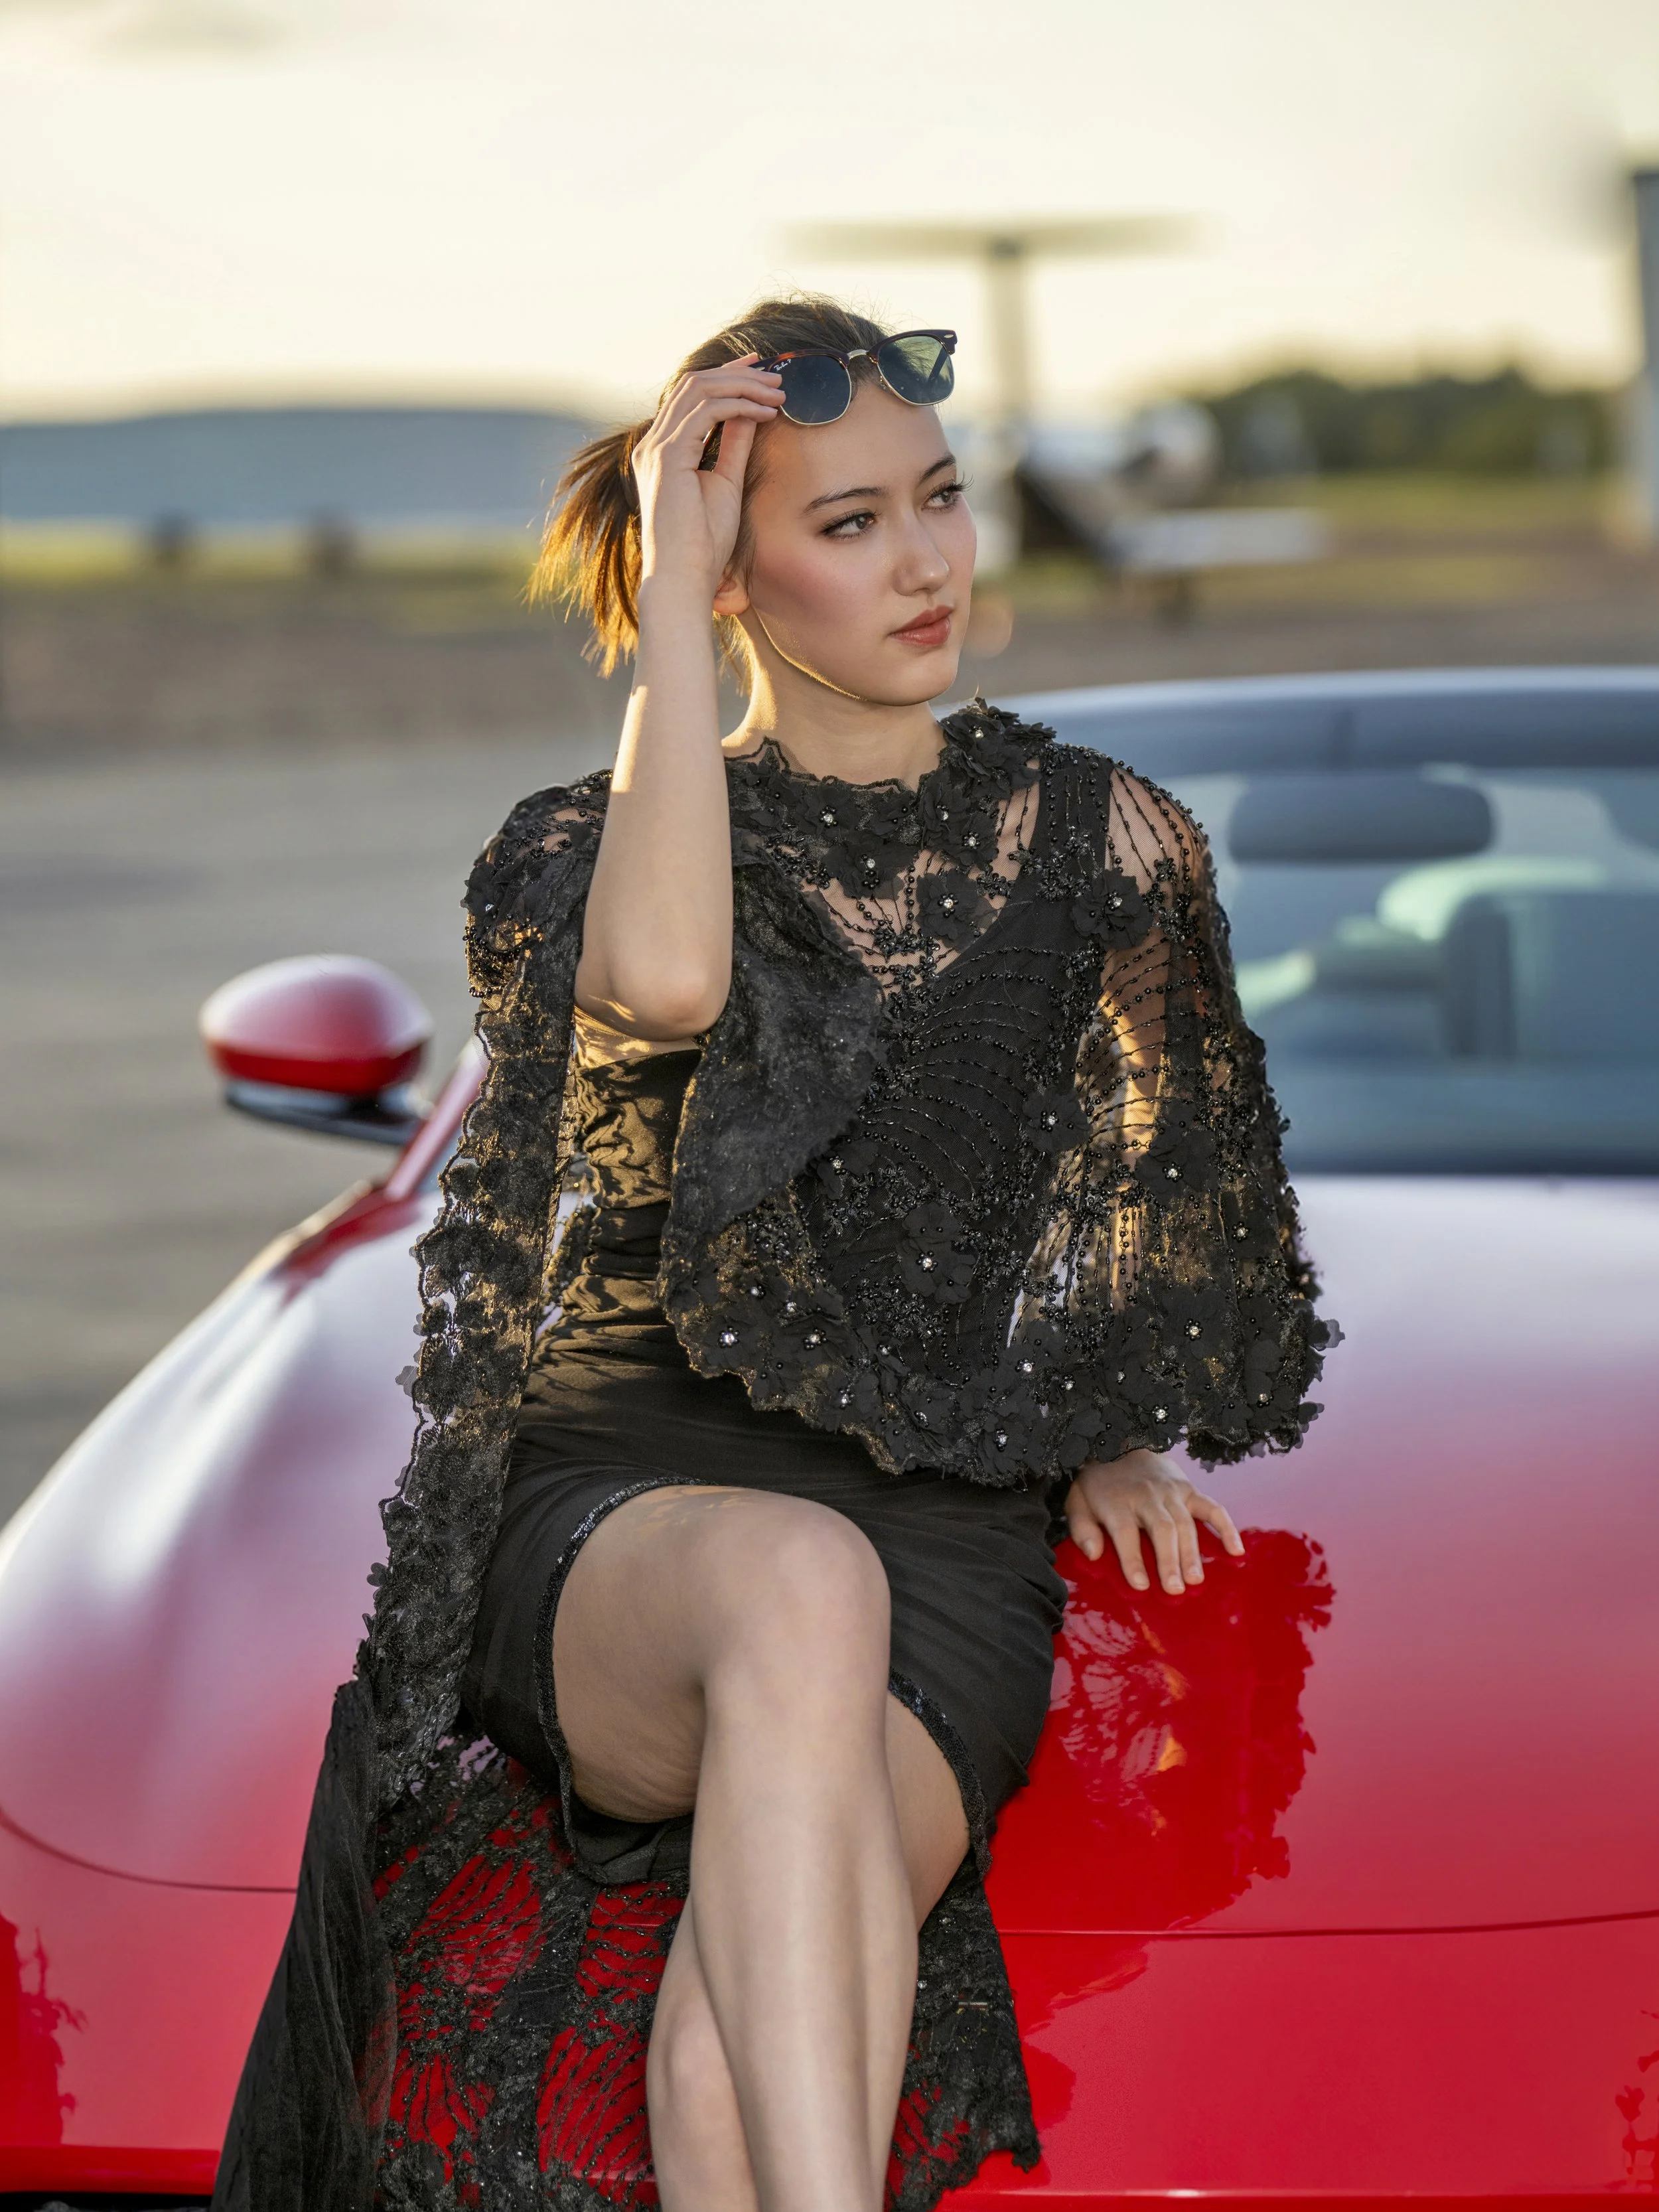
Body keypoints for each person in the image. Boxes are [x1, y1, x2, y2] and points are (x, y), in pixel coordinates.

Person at [213, 297, 1335, 2212]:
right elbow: (668, 979)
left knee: (744, 2029)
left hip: (945, 1541)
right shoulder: (593, 843)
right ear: (735, 573)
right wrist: (665, 604)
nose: (922, 563)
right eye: (845, 524)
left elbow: (1139, 1214)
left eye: (943, 500)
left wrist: (1093, 1421)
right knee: (793, 1578)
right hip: (636, 1517)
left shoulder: (1108, 846)